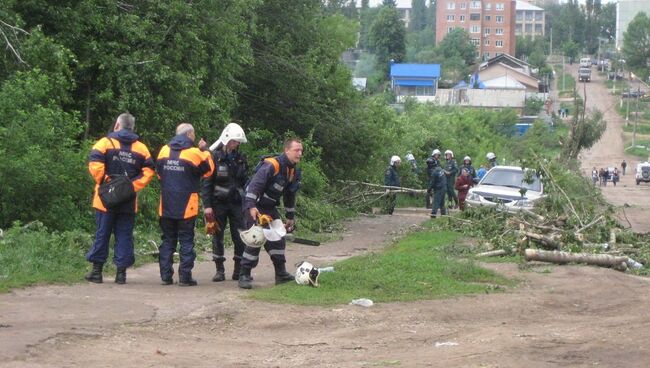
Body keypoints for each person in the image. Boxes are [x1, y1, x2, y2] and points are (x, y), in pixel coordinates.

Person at [85, 113, 155, 284]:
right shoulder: (142, 149)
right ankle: (121, 274)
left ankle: (96, 272)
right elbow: (149, 172)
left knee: (102, 233)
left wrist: (106, 182)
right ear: (132, 127)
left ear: (117, 125)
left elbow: (94, 164)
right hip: (128, 201)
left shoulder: (104, 143)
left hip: (104, 199)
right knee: (124, 235)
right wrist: (131, 187)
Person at [238, 138, 303, 289]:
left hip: (269, 207)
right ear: (286, 150)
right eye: (296, 150)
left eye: (301, 151)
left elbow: (289, 195)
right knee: (257, 238)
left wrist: (290, 217)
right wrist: (251, 206)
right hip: (254, 205)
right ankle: (244, 275)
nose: (299, 154)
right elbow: (255, 186)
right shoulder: (272, 165)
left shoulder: (294, 171)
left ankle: (281, 274)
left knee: (278, 238)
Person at [156, 123, 215, 286]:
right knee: (186, 240)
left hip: (166, 203)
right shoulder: (195, 153)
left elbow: (159, 174)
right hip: (186, 205)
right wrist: (206, 151)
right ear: (189, 134)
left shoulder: (163, 150)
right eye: (194, 134)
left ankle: (166, 276)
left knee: (168, 240)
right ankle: (185, 276)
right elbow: (209, 170)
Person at [201, 123, 249, 282]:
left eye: (238, 142)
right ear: (227, 140)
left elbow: (245, 182)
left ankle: (238, 270)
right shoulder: (214, 157)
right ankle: (219, 270)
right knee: (217, 236)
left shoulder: (242, 159)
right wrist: (207, 206)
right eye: (234, 141)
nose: (236, 144)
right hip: (218, 203)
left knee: (240, 236)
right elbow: (207, 183)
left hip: (236, 203)